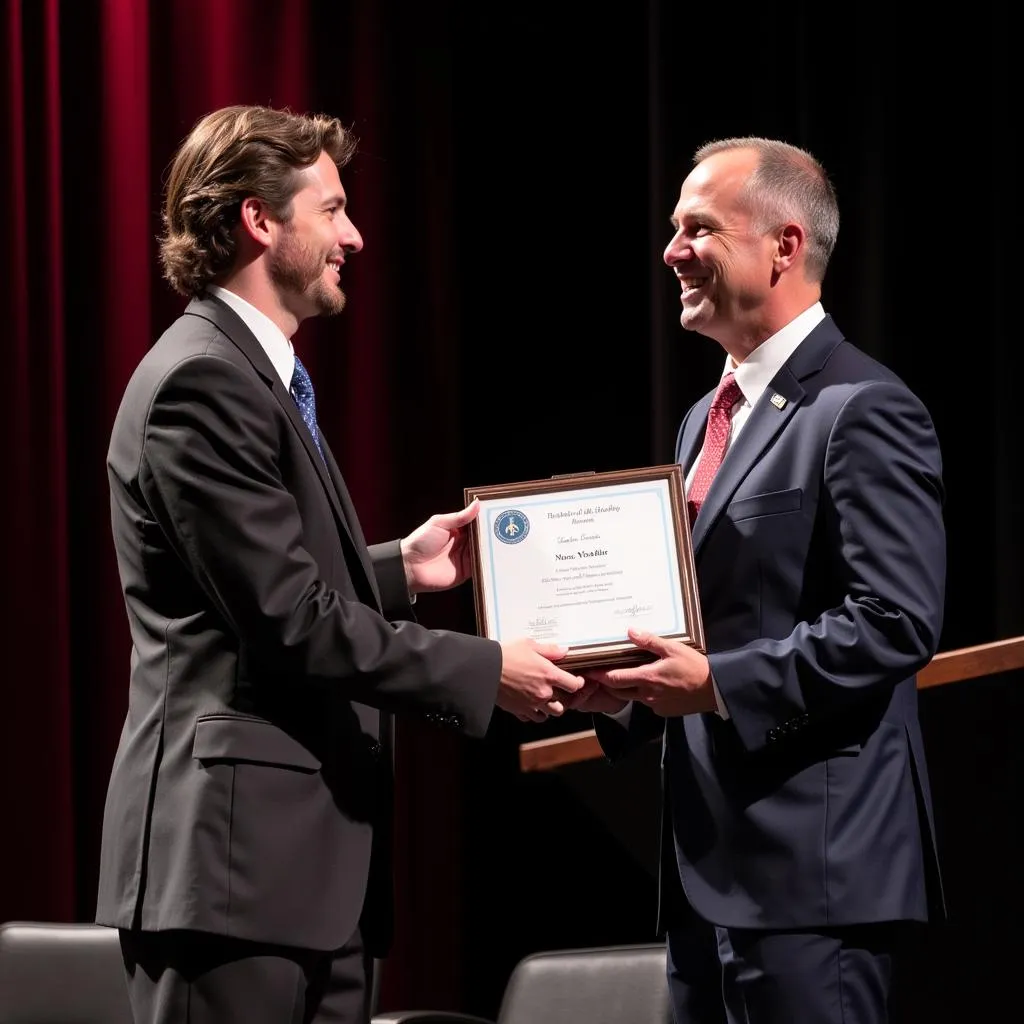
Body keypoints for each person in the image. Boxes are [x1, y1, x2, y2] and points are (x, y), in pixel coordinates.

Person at [95, 104, 582, 1024]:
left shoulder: (253, 374)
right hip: (233, 878)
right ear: (259, 219)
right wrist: (487, 671)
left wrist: (403, 567)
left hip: (300, 881)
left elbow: (260, 583)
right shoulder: (204, 381)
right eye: (333, 209)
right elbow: (286, 620)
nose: (354, 235)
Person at [571, 137, 946, 1023]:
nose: (671, 250)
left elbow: (894, 621)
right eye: (673, 229)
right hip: (706, 873)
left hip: (813, 878)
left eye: (698, 228)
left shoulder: (863, 406)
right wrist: (617, 691)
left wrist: (713, 685)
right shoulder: (707, 415)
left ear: (783, 246)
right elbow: (708, 618)